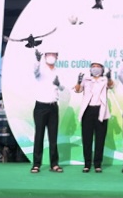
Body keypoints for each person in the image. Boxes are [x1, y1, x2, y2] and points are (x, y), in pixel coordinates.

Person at [73, 61, 114, 173]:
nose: (95, 68)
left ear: (102, 69)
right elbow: (77, 90)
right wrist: (78, 81)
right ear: (90, 69)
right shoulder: (86, 79)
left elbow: (111, 86)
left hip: (101, 111)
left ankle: (97, 164)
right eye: (93, 67)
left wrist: (109, 78)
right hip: (88, 111)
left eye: (98, 67)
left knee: (100, 139)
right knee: (87, 139)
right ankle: (87, 164)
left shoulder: (105, 79)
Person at [31, 46, 65, 174]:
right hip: (40, 107)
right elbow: (35, 72)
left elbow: (62, 88)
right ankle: (36, 164)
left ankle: (54, 164)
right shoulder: (41, 69)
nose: (51, 56)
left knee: (53, 137)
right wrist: (37, 61)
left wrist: (58, 84)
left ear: (57, 56)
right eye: (48, 54)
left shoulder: (59, 71)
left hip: (53, 107)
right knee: (39, 136)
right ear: (45, 56)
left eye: (53, 54)